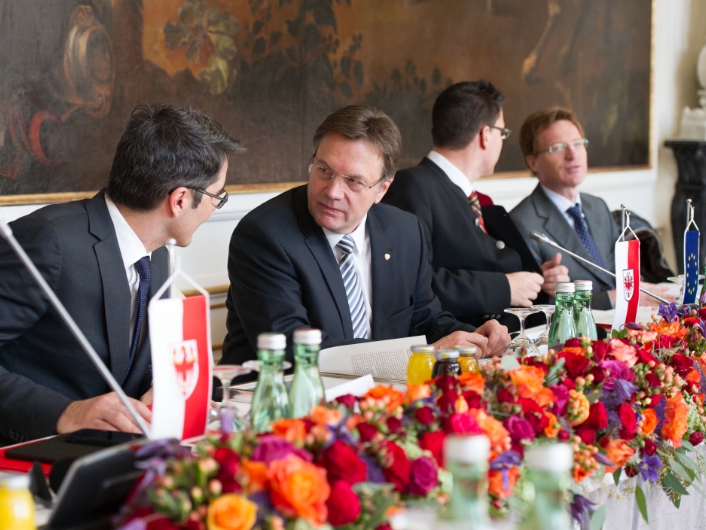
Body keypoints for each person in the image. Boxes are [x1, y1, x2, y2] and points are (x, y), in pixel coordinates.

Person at [0, 104, 244, 463]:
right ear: (179, 200)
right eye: (218, 197)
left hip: (99, 458)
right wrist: (64, 412)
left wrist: (162, 388)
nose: (215, 208)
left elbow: (127, 362)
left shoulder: (157, 252)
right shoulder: (47, 240)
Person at [220, 105, 509, 369]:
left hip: (382, 395)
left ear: (382, 189)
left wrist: (474, 337)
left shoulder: (405, 231)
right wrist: (426, 355)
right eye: (324, 170)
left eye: (354, 181)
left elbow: (426, 319)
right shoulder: (265, 236)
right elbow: (294, 349)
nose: (333, 191)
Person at [382, 81, 569, 329]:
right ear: (485, 135)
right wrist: (504, 288)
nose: (502, 140)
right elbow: (409, 283)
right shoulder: (411, 186)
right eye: (502, 133)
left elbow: (475, 261)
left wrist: (536, 281)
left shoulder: (464, 194)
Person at [509, 107, 673, 309]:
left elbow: (619, 274)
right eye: (558, 147)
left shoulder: (597, 206)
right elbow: (533, 310)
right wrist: (610, 299)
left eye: (578, 143)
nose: (572, 154)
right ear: (533, 162)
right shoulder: (521, 223)